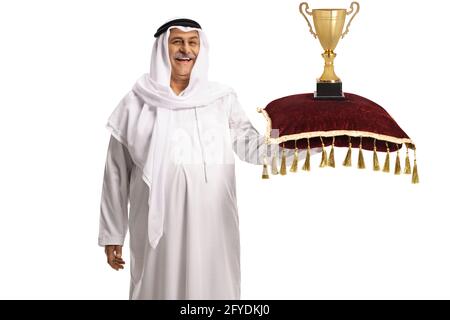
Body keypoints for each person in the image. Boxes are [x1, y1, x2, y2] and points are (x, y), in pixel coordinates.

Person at [98, 18, 312, 300]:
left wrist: (306, 137)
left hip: (213, 222)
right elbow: (115, 171)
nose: (185, 49)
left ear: (201, 48)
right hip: (158, 229)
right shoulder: (136, 103)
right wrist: (113, 233)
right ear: (163, 49)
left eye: (192, 42)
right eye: (177, 42)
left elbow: (253, 147)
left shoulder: (221, 98)